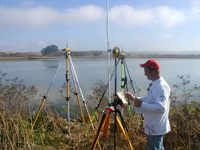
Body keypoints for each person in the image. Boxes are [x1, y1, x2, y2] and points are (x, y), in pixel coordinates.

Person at [125, 59, 171, 150]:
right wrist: (134, 99)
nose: (144, 74)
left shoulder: (161, 86)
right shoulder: (155, 83)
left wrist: (141, 104)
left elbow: (161, 108)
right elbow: (150, 100)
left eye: (146, 71)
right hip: (152, 128)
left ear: (153, 71)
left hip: (156, 129)